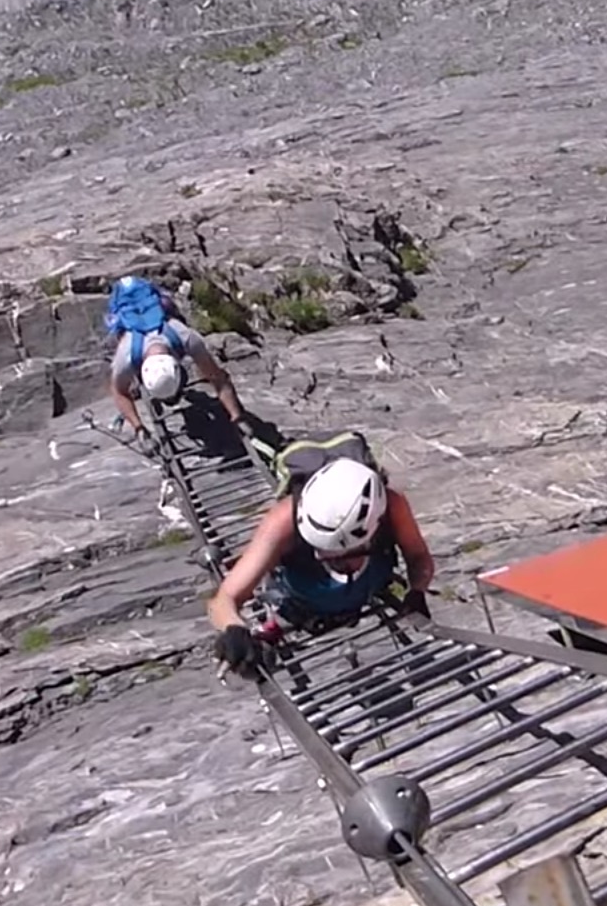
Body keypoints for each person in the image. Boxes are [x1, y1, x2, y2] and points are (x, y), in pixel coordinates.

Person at [207, 432, 435, 675]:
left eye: (342, 553)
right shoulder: (282, 521)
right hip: (301, 596)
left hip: (367, 582)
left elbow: (418, 556)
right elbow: (224, 600)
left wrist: (417, 590)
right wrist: (233, 628)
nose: (331, 556)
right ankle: (282, 617)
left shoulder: (392, 506)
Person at [103, 274, 247, 450]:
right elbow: (118, 392)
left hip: (157, 314)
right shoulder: (125, 355)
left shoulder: (187, 338)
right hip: (128, 315)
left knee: (172, 313)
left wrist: (237, 416)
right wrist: (139, 429)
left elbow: (218, 379)